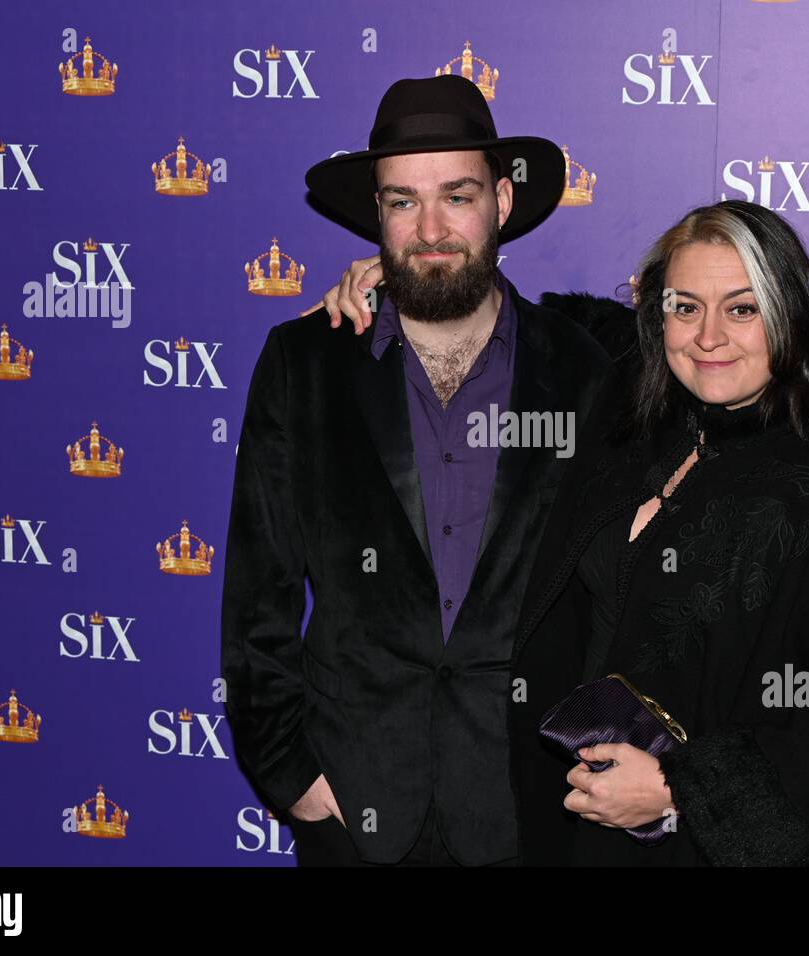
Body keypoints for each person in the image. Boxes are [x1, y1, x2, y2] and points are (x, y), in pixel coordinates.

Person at [321, 200, 809, 866]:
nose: (708, 337)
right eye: (685, 307)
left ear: (789, 316)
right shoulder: (634, 411)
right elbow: (533, 325)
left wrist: (676, 791)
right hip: (570, 828)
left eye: (742, 308)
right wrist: (418, 275)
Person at [219, 73, 610, 867]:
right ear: (376, 216)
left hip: (528, 803)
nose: (430, 229)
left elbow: (708, 342)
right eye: (402, 201)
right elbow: (256, 599)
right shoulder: (304, 365)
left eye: (456, 196)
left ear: (502, 200)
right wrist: (291, 775)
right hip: (351, 802)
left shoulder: (583, 368)